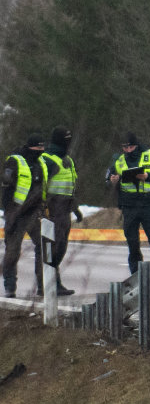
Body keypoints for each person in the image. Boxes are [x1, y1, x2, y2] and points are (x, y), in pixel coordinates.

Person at [105, 132, 150, 273]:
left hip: (149, 205)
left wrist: (148, 176)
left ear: (137, 145)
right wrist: (112, 181)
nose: (128, 150)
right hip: (129, 206)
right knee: (133, 244)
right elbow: (107, 180)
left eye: (131, 147)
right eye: (125, 148)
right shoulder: (118, 160)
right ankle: (135, 276)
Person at [1, 134, 48, 298]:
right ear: (30, 147)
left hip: (34, 213)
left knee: (44, 247)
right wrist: (9, 213)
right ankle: (9, 286)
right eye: (38, 148)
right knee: (13, 251)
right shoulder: (15, 161)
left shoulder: (40, 162)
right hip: (16, 212)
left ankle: (43, 285)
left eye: (43, 148)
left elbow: (43, 187)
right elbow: (6, 189)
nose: (41, 151)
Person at [39, 126, 81, 296]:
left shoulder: (68, 160)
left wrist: (76, 208)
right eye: (65, 139)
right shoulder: (47, 159)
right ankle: (48, 284)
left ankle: (54, 282)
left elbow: (71, 187)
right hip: (52, 208)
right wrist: (42, 208)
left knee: (61, 247)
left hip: (65, 209)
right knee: (52, 248)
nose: (68, 143)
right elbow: (40, 186)